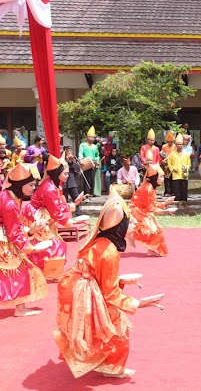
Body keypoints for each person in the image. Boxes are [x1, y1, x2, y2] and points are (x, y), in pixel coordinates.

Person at [54, 190, 164, 379]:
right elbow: (110, 294)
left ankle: (104, 362)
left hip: (76, 284)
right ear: (120, 226)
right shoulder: (109, 251)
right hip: (83, 288)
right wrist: (140, 303)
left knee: (100, 325)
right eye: (131, 221)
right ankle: (112, 367)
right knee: (116, 324)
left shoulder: (102, 240)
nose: (135, 223)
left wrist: (120, 280)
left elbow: (99, 274)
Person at [23, 155, 85, 281]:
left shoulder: (54, 186)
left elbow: (58, 206)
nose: (68, 176)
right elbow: (56, 212)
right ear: (58, 173)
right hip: (37, 217)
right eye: (66, 173)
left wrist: (74, 205)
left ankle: (40, 271)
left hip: (42, 215)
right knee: (54, 244)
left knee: (47, 244)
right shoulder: (49, 189)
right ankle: (45, 272)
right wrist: (69, 222)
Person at [0, 163, 48, 316]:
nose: (34, 188)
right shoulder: (10, 203)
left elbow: (16, 227)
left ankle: (20, 307)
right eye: (31, 185)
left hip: (4, 236)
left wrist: (31, 230)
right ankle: (20, 309)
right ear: (21, 184)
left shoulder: (11, 197)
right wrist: (31, 248)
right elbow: (14, 233)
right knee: (21, 269)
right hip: (4, 239)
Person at [129, 155, 175, 257]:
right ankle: (151, 249)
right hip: (137, 212)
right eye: (161, 176)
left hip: (143, 211)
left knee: (158, 229)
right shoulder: (147, 188)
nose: (163, 179)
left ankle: (151, 250)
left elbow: (153, 204)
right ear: (155, 177)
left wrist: (166, 203)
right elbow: (151, 208)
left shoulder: (151, 188)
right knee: (155, 230)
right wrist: (166, 210)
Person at [167, 133, 191, 207]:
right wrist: (173, 169)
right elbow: (169, 164)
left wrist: (186, 168)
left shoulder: (186, 154)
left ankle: (184, 203)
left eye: (180, 144)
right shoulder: (172, 154)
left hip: (183, 175)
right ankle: (176, 204)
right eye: (178, 144)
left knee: (184, 190)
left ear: (182, 144)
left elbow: (189, 164)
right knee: (176, 190)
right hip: (176, 175)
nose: (179, 146)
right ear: (175, 144)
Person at [78, 126, 101, 196]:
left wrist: (97, 161)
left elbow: (97, 155)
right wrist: (81, 160)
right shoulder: (83, 145)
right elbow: (80, 153)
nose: (92, 139)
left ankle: (91, 193)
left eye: (93, 137)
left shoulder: (95, 146)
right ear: (87, 137)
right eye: (90, 137)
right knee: (86, 179)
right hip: (86, 164)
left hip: (93, 165)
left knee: (92, 179)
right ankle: (86, 193)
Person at [63, 147, 85, 216]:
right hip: (64, 183)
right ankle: (66, 215)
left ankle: (78, 214)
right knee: (64, 200)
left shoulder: (74, 159)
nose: (70, 153)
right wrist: (66, 159)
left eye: (71, 151)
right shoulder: (61, 159)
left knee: (76, 198)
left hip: (72, 182)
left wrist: (72, 161)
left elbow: (78, 169)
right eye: (68, 151)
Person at [160, 131, 177, 196]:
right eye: (169, 141)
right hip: (165, 163)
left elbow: (174, 154)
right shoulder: (164, 146)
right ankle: (167, 191)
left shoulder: (175, 146)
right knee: (166, 178)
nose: (170, 143)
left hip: (173, 164)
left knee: (172, 178)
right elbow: (162, 154)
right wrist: (164, 162)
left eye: (171, 142)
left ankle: (172, 191)